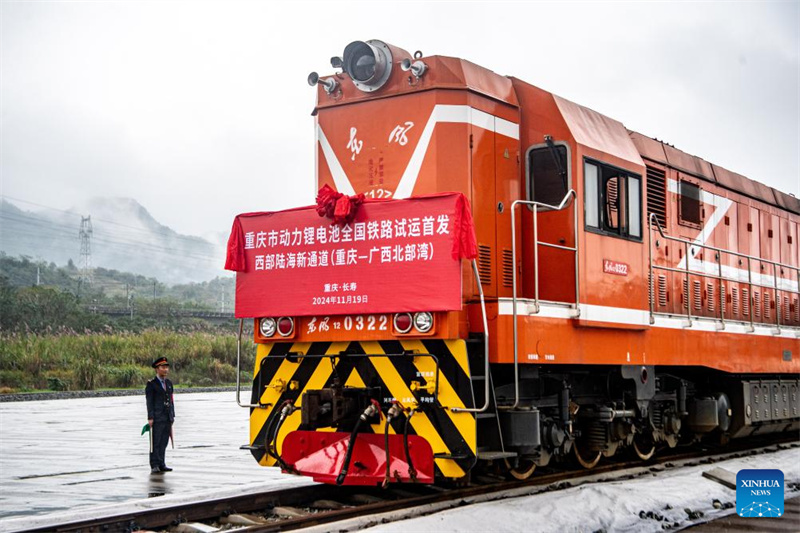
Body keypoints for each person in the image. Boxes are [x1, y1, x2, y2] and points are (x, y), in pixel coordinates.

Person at [145, 356, 175, 474]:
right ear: (157, 369)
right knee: (155, 442)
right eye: (163, 367)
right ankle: (154, 464)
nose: (166, 370)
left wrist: (172, 416)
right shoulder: (151, 384)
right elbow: (149, 402)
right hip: (157, 417)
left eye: (167, 367)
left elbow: (171, 400)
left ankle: (162, 463)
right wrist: (150, 417)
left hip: (167, 417)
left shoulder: (168, 383)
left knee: (164, 442)